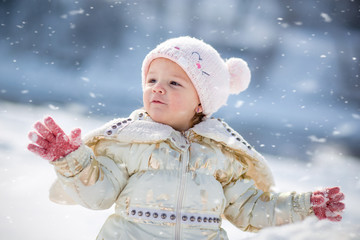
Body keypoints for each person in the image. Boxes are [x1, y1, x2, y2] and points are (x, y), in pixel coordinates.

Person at [27, 36, 345, 240]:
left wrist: (305, 206)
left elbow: (251, 211)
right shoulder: (128, 143)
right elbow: (98, 194)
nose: (157, 87)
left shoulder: (223, 155)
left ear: (201, 102)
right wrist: (71, 160)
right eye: (151, 79)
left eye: (174, 83)